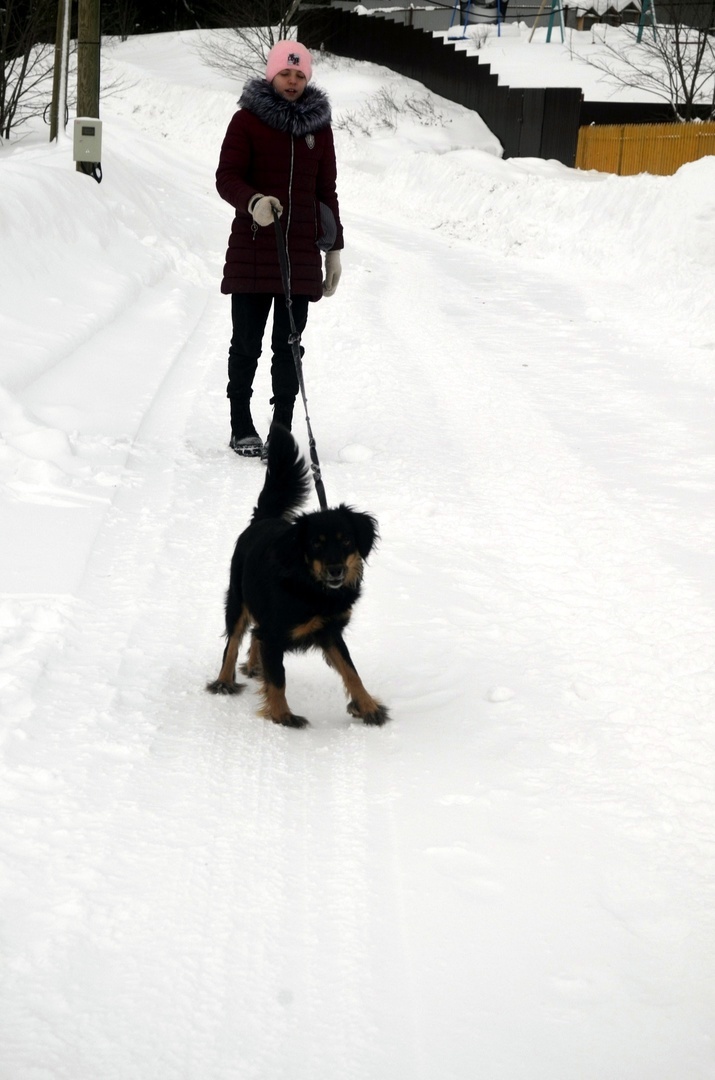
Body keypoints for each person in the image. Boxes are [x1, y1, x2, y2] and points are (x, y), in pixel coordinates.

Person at [215, 40, 344, 458]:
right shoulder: (246, 121)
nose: (292, 81)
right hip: (253, 249)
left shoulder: (318, 129)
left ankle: (283, 427)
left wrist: (334, 249)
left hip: (299, 256)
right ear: (272, 74)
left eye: (300, 74)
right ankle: (240, 424)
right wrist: (253, 202)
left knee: (289, 346)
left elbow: (327, 192)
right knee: (246, 345)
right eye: (286, 73)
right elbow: (227, 177)